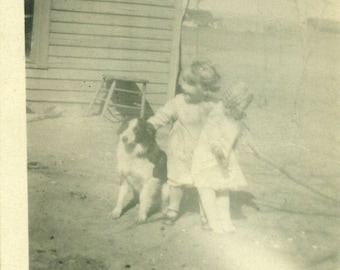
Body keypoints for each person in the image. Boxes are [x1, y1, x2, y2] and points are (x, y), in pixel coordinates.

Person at [148, 60, 221, 225]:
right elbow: (163, 115)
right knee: (177, 181)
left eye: (189, 83)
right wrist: (150, 125)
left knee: (205, 184)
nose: (182, 86)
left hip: (203, 154)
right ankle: (173, 208)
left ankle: (206, 212)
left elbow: (222, 123)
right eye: (183, 81)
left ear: (205, 88)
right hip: (179, 153)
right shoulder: (178, 102)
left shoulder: (212, 106)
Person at [192, 82, 254, 234]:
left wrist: (247, 142)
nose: (244, 110)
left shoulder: (234, 116)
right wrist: (220, 156)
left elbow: (238, 133)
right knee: (207, 189)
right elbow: (214, 140)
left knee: (223, 189)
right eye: (242, 106)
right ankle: (213, 221)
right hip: (208, 158)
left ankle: (225, 220)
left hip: (224, 157)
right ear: (234, 102)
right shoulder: (217, 115)